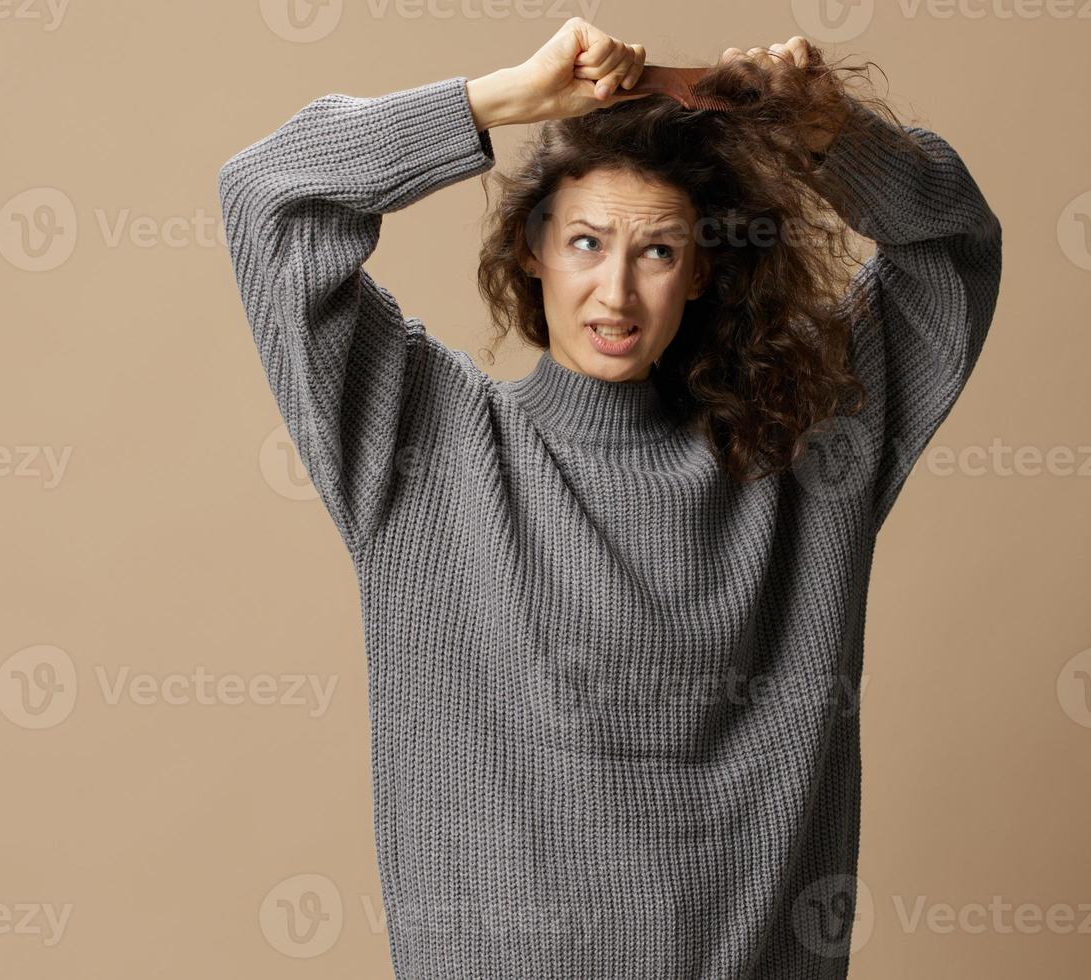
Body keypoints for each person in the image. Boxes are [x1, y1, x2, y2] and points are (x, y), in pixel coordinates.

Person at [218, 17, 1002, 979]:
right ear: (531, 250)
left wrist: (826, 133)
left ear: (704, 270)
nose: (617, 294)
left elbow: (951, 245)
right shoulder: (426, 446)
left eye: (659, 252)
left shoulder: (806, 446)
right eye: (586, 243)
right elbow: (269, 199)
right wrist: (500, 102)